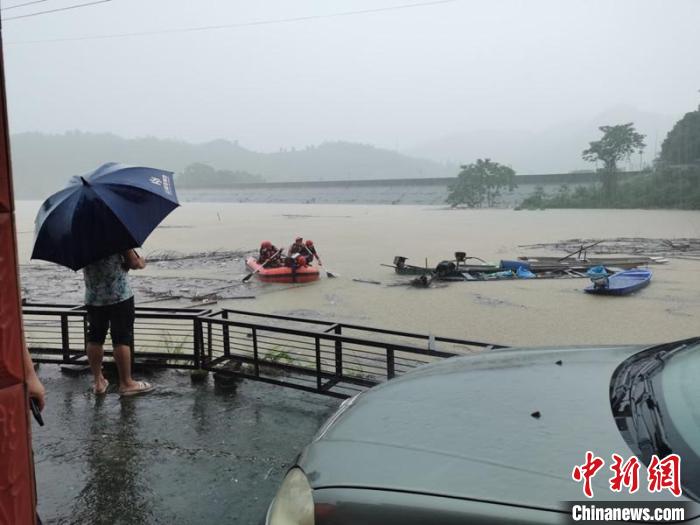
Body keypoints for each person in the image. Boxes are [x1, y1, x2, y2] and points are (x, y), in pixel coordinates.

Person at [83, 249, 153, 396]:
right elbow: (133, 263)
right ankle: (126, 383)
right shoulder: (116, 235)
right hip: (119, 296)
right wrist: (141, 262)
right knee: (121, 339)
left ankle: (98, 382)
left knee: (95, 337)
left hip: (93, 297)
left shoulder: (78, 239)